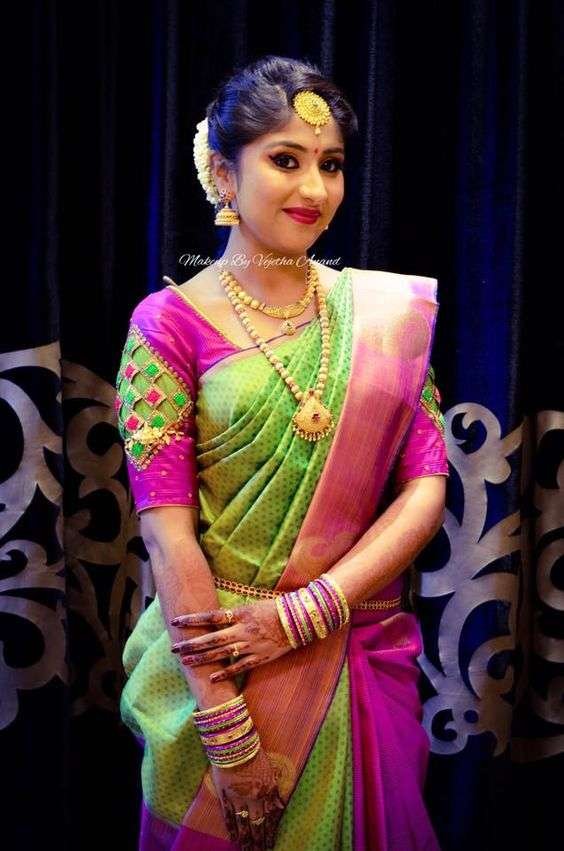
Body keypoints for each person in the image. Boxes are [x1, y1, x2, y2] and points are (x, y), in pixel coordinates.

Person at [115, 55, 449, 851]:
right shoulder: (167, 324)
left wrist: (305, 613)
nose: (315, 189)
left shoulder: (385, 316)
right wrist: (225, 726)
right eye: (286, 160)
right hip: (222, 664)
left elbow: (426, 487)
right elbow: (167, 532)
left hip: (356, 655)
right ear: (224, 174)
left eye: (330, 164)